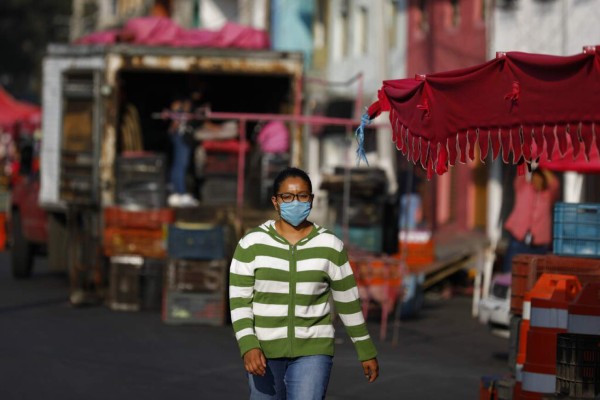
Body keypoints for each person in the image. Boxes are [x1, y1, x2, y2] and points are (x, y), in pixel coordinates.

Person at [229, 167, 379, 399]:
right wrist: (248, 345)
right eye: (287, 196)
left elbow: (348, 301)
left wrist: (365, 349)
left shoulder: (330, 246)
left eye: (302, 196)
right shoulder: (251, 244)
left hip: (313, 351)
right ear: (275, 201)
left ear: (311, 199)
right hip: (263, 352)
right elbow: (239, 301)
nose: (295, 202)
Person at [502, 168, 560, 273]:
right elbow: (520, 172)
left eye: (540, 178)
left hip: (539, 245)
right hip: (518, 240)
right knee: (510, 272)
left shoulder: (548, 195)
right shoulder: (523, 188)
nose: (537, 181)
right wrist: (526, 157)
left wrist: (544, 167)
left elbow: (554, 184)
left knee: (536, 275)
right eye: (535, 177)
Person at [165, 95, 198, 207]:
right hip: (181, 137)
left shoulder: (186, 112)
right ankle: (179, 192)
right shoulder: (179, 108)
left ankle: (178, 192)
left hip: (183, 137)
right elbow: (174, 123)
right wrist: (175, 124)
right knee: (180, 165)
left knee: (180, 164)